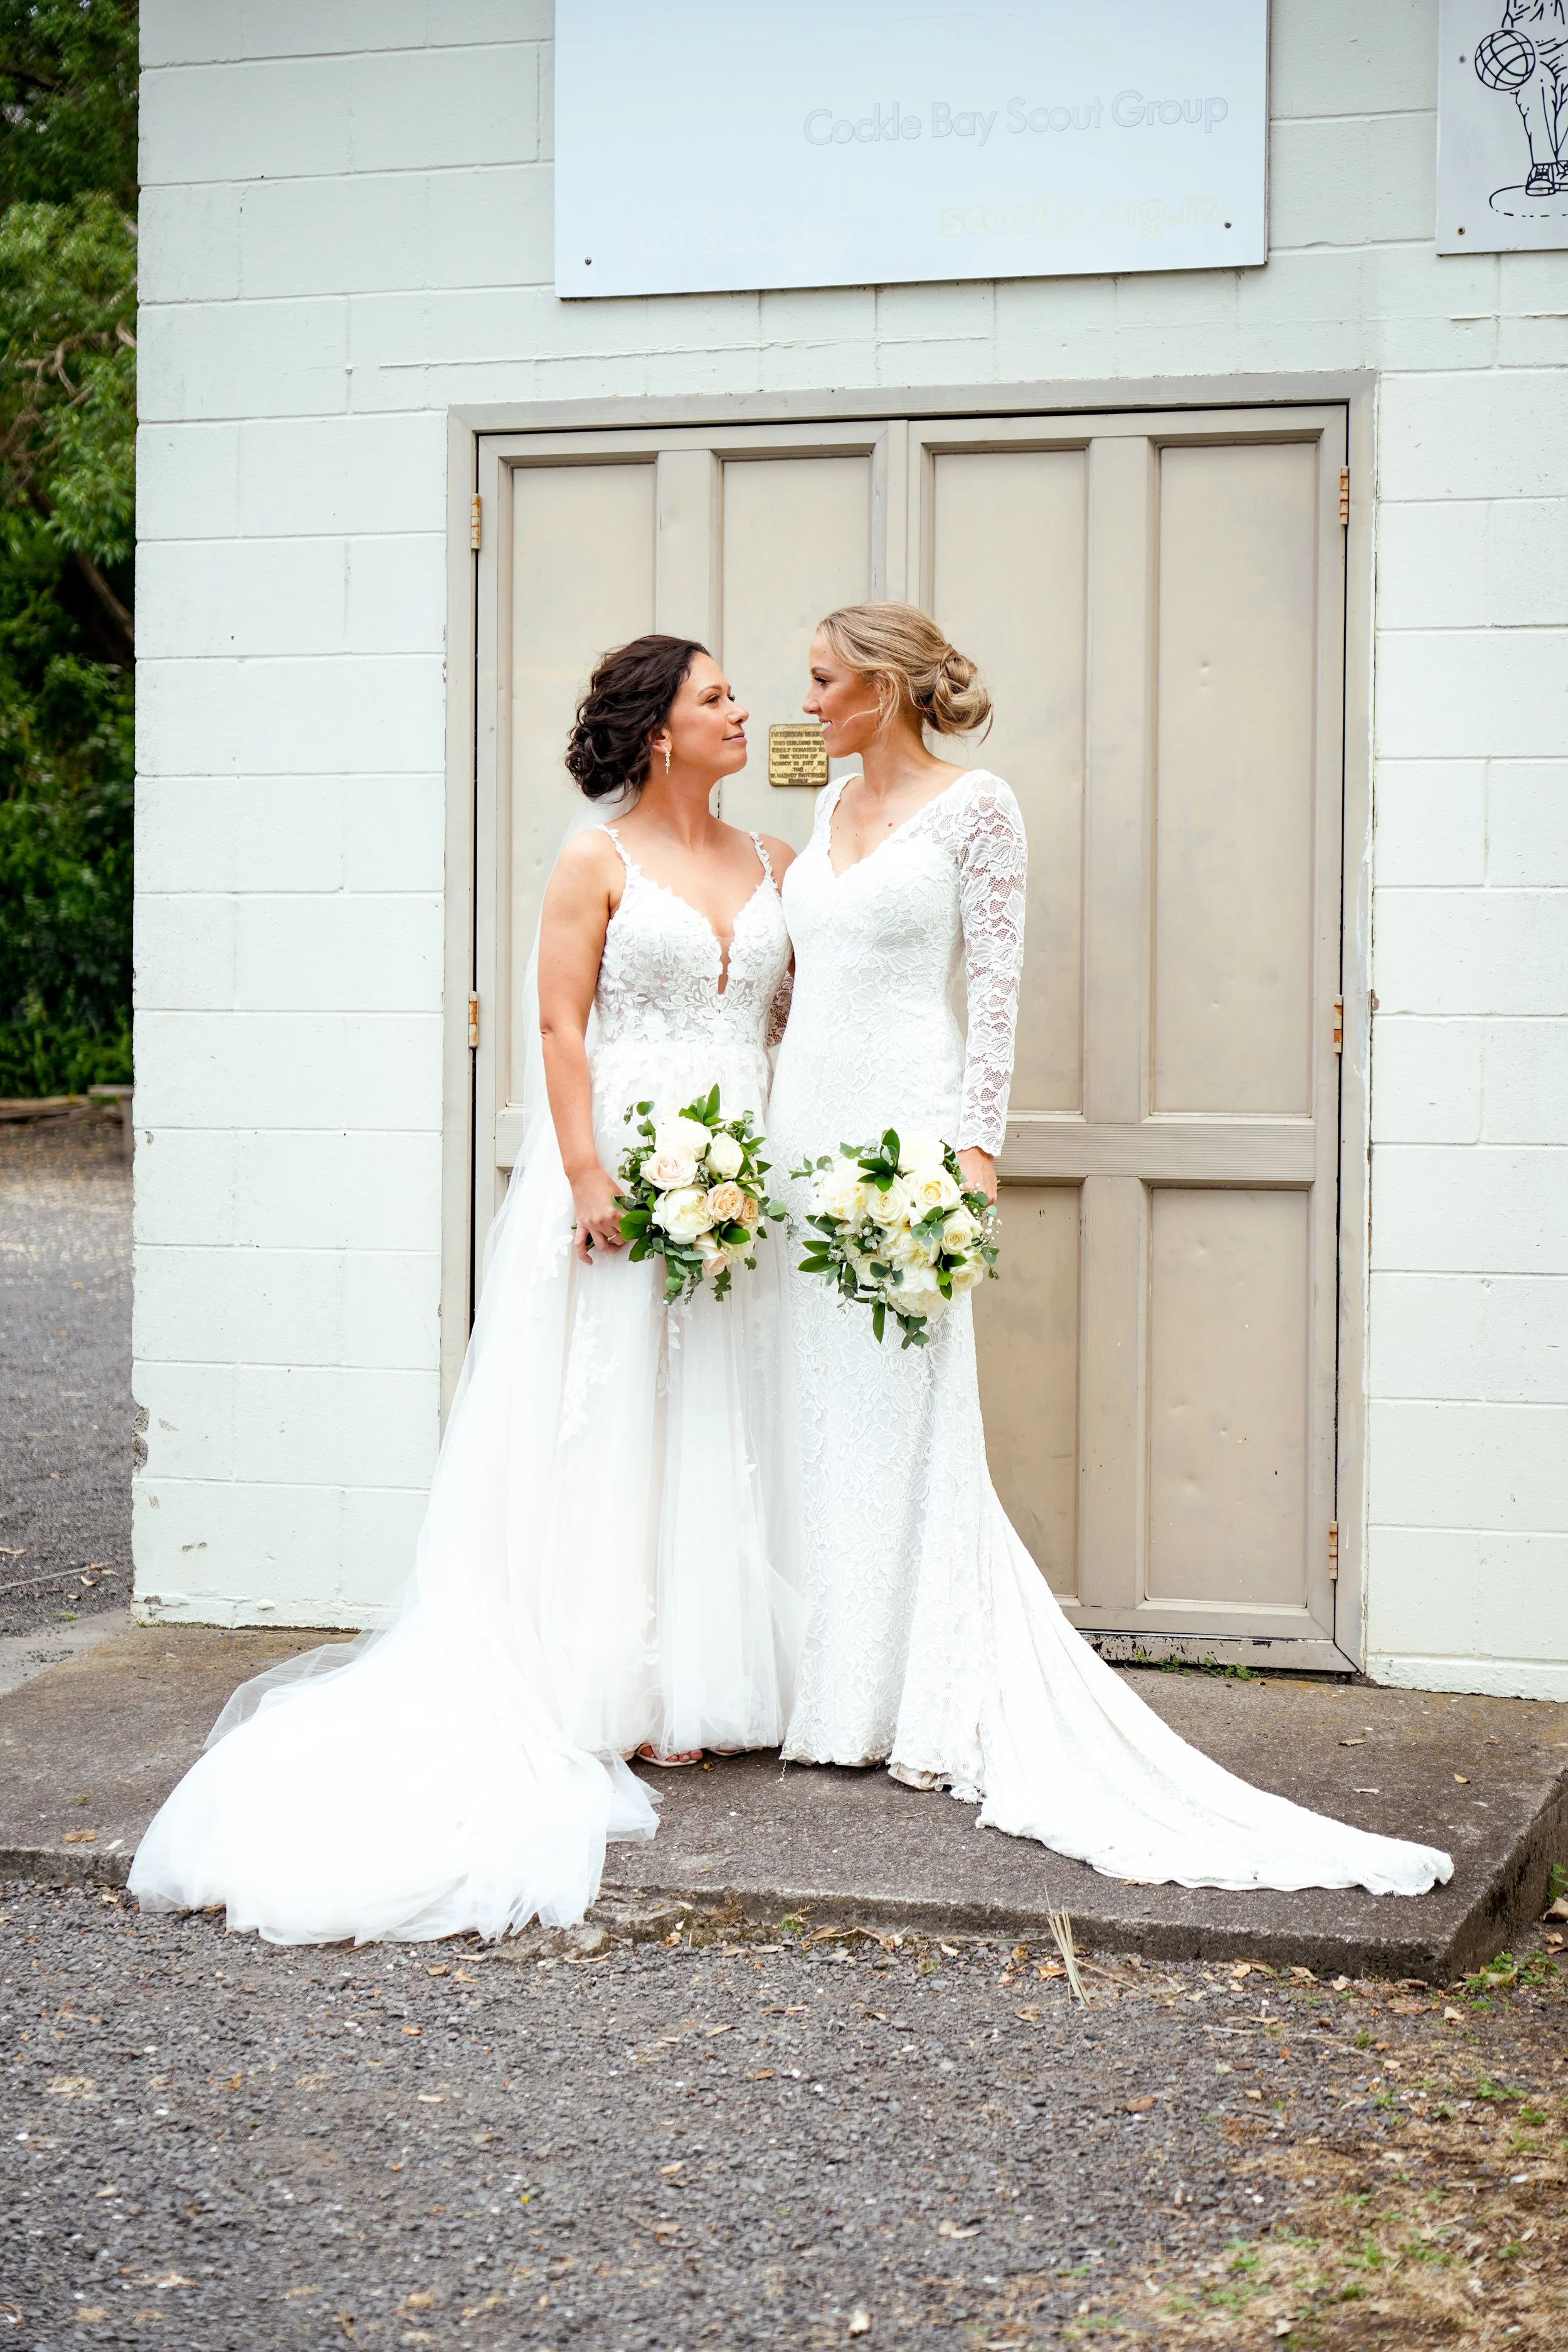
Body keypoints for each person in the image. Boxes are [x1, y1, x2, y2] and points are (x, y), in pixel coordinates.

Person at [768, 600, 1453, 1897]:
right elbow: (816, 971)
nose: (802, 702)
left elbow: (998, 990)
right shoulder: (820, 809)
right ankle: (824, 1680)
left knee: (898, 1402)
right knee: (811, 1404)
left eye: (819, 681)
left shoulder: (978, 808)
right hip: (802, 1125)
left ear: (886, 686)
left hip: (899, 1134)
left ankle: (909, 1695)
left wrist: (971, 1156)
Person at [129, 637, 801, 1943]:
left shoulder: (773, 862)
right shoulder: (592, 858)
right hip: (618, 1174)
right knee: (605, 1416)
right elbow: (559, 1025)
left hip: (736, 1178)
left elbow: (786, 1023)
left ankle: (692, 1689)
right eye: (717, 698)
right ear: (659, 730)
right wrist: (591, 1174)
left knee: (716, 1405)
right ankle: (598, 1677)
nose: (740, 712)